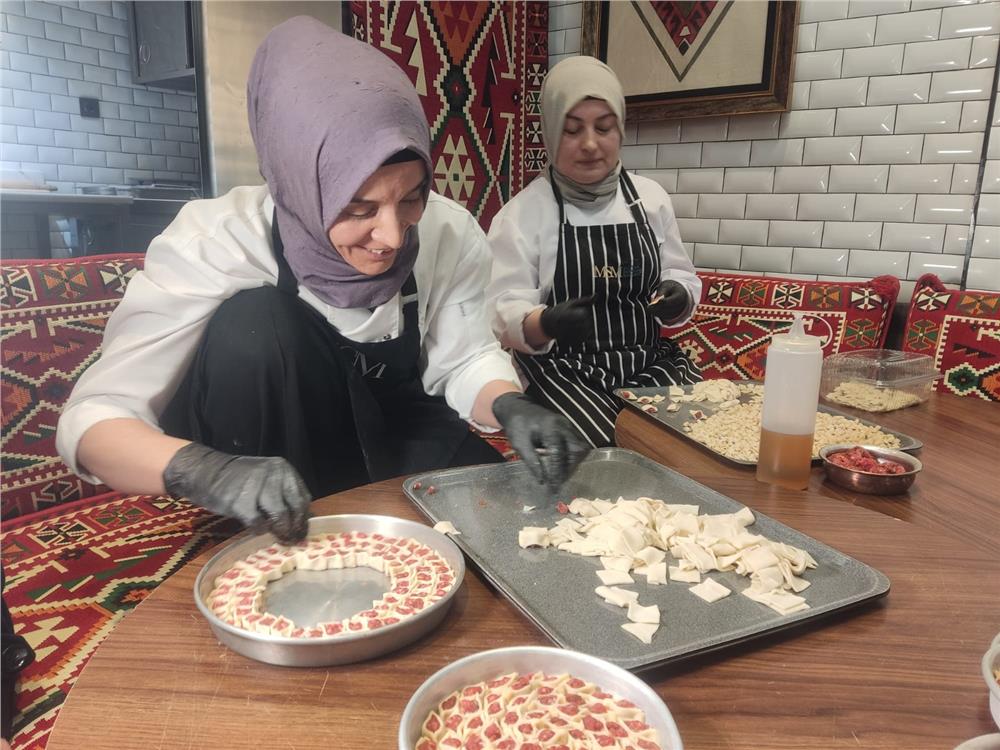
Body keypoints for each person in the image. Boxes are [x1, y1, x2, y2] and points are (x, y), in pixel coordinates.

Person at [56, 17, 588, 545]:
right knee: (256, 323)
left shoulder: (449, 232)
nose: (391, 236)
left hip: (393, 426)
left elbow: (463, 358)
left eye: (410, 198)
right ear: (298, 179)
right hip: (276, 449)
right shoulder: (215, 241)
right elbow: (92, 420)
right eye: (359, 208)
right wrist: (207, 471)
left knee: (506, 531)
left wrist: (507, 404)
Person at [486, 56, 702, 448]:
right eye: (571, 130)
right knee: (601, 450)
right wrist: (545, 322)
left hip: (649, 363)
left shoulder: (650, 200)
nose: (590, 144)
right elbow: (502, 313)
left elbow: (681, 274)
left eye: (604, 128)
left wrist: (679, 294)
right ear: (551, 133)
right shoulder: (522, 214)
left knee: (702, 429)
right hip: (566, 374)